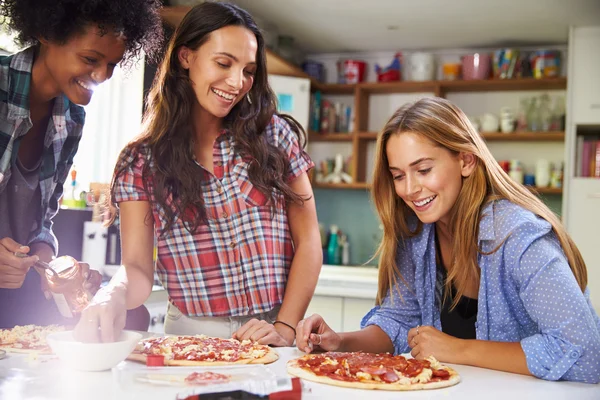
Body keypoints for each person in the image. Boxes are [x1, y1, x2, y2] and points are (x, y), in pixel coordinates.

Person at [296, 97, 600, 384]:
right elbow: (399, 322)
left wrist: (457, 349)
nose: (410, 189)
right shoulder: (416, 231)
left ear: (466, 161)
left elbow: (587, 355)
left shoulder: (518, 236)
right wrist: (339, 342)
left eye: (424, 170)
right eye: (398, 175)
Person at [74, 2, 322, 346]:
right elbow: (137, 268)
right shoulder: (140, 160)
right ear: (186, 57)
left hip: (271, 332)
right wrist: (110, 295)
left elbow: (309, 240)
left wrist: (285, 327)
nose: (237, 82)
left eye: (248, 70)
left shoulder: (274, 136)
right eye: (223, 63)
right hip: (190, 337)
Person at [0, 0, 164, 328]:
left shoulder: (71, 119)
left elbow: (41, 223)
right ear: (47, 33)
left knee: (134, 320)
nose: (102, 75)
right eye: (91, 59)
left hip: (14, 305)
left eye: (112, 65)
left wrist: (53, 267)